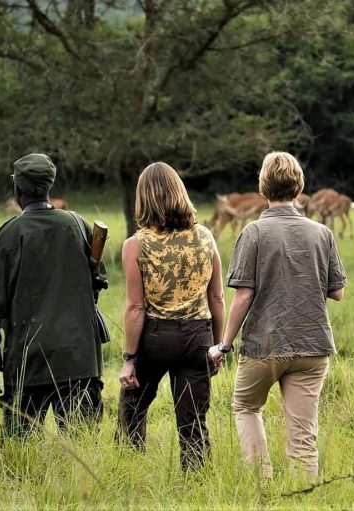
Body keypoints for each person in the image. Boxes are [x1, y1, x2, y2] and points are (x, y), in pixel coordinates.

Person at [208, 151, 346, 478]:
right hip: (312, 346)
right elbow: (337, 291)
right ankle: (304, 496)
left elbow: (243, 295)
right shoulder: (322, 233)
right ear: (299, 188)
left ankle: (262, 483)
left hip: (263, 345)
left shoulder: (254, 233)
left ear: (262, 188)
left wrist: (223, 345)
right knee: (303, 434)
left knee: (245, 407)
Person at [0, 153, 106, 438]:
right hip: (78, 359)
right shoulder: (78, 225)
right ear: (50, 186)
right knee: (82, 451)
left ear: (17, 191)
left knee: (20, 452)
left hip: (27, 359)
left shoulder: (9, 234)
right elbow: (99, 282)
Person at [117, 162, 225, 470]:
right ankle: (196, 486)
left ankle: (128, 473)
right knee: (193, 423)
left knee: (132, 411)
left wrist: (129, 359)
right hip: (197, 338)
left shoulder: (135, 245)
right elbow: (216, 297)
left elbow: (136, 307)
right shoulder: (205, 237)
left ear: (144, 199)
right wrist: (217, 347)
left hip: (154, 338)